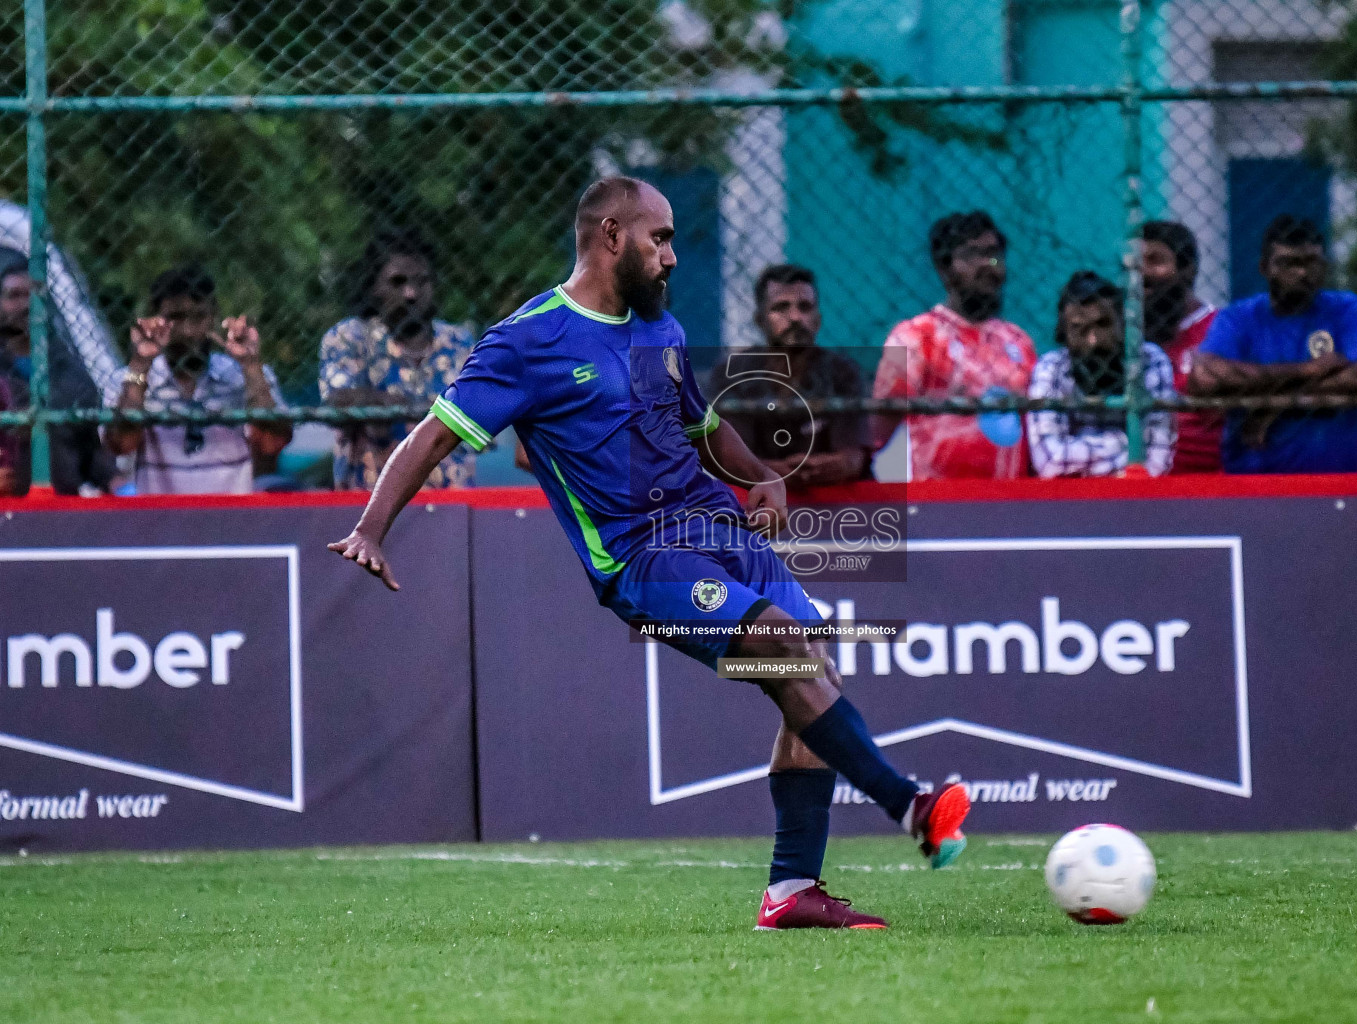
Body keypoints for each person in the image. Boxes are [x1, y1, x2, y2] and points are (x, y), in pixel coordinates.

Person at [329, 177, 971, 931]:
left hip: (721, 530)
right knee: (782, 645)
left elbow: (699, 425)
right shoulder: (526, 340)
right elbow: (432, 434)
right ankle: (908, 803)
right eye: (659, 239)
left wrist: (761, 475)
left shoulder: (657, 328)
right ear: (610, 236)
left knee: (813, 665)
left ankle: (793, 891)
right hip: (642, 558)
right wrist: (372, 528)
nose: (670, 257)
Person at [1189, 215, 1357, 474]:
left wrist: (1277, 402)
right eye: (1289, 263)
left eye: (1312, 262)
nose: (1301, 273)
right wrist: (1308, 370)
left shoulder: (1345, 310)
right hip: (1253, 484)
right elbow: (1205, 377)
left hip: (1339, 486)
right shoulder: (1239, 318)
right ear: (1265, 267)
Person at [869, 211, 1037, 480]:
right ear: (944, 268)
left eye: (994, 254)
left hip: (1013, 502)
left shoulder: (1019, 341)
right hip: (940, 502)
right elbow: (878, 429)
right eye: (971, 256)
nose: (986, 265)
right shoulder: (916, 336)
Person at [103, 264, 292, 494]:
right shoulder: (131, 379)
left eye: (199, 316)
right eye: (176, 318)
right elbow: (120, 445)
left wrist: (250, 365)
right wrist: (141, 363)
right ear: (156, 318)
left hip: (231, 518)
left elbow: (272, 443)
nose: (189, 331)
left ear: (213, 316)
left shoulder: (241, 375)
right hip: (159, 519)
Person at [319, 230, 478, 490]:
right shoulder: (351, 338)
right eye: (397, 282)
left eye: (422, 281)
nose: (411, 293)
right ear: (373, 288)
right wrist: (396, 404)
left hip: (452, 504)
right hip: (371, 503)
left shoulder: (459, 343)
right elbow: (338, 400)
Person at [705, 264, 869, 490]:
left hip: (832, 501)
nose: (795, 317)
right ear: (760, 320)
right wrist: (768, 471)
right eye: (781, 307)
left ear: (818, 320)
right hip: (753, 503)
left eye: (805, 307)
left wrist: (840, 464)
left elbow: (854, 457)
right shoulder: (732, 373)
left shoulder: (843, 372)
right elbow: (726, 458)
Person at [1026, 271, 1176, 478]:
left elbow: (1158, 464)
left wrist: (1078, 459)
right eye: (1079, 329)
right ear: (1064, 334)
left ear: (1121, 325)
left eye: (1103, 325)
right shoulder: (1051, 368)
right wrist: (1128, 443)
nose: (1093, 341)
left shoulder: (1149, 360)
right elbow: (1049, 463)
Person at [0, 250, 114, 495]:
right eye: (14, 296)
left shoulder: (70, 372)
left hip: (59, 509)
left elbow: (91, 457)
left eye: (33, 295)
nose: (25, 305)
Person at [1142, 221, 1222, 474]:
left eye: (1155, 261)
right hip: (1139, 479)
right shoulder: (1126, 333)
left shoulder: (1219, 328)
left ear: (1188, 269)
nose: (1142, 273)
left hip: (1210, 480)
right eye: (1133, 263)